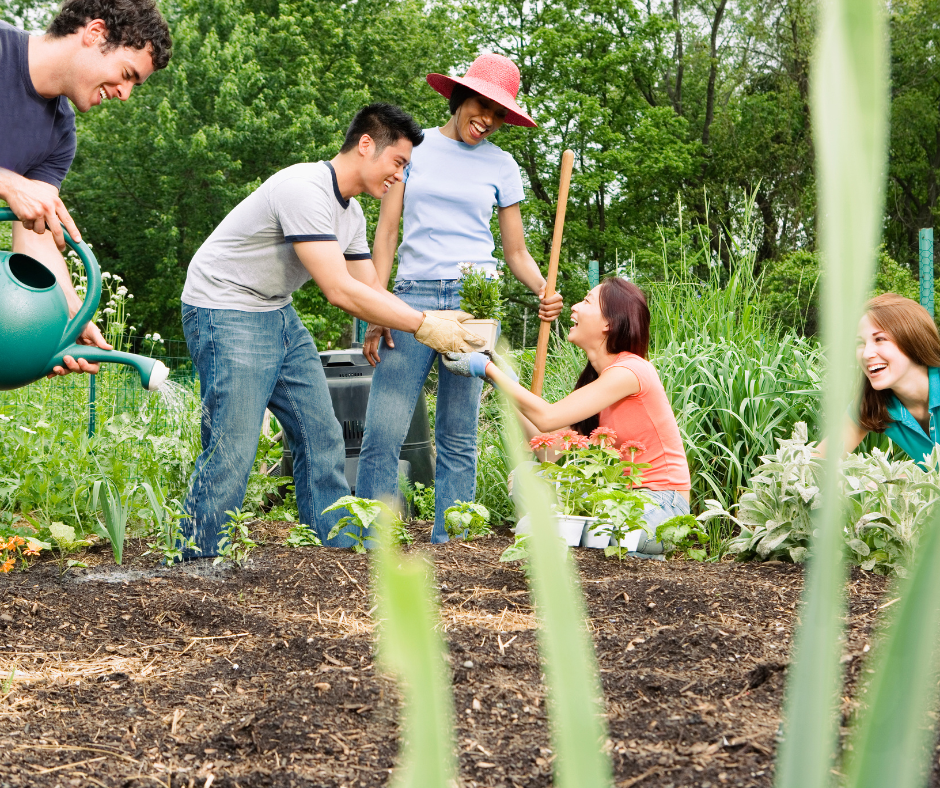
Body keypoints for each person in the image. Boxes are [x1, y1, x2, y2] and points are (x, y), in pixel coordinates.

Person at [179, 103, 486, 558]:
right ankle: (196, 561)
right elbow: (340, 291)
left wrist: (436, 321)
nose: (400, 177)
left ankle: (337, 552)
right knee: (234, 447)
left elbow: (370, 290)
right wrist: (425, 325)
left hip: (276, 312)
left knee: (322, 435)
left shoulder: (353, 217)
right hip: (225, 309)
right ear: (366, 145)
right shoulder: (303, 189)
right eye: (398, 163)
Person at [355, 52, 563, 543]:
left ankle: (453, 544)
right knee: (383, 429)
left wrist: (544, 289)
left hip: (476, 302)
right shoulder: (415, 150)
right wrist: (375, 307)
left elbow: (516, 252)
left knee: (458, 435)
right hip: (412, 299)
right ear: (459, 97)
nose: (486, 121)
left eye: (497, 115)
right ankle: (370, 540)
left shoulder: (503, 166)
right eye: (480, 107)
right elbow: (385, 236)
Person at [444, 278, 692, 556]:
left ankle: (611, 545)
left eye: (586, 301)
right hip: (617, 502)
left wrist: (491, 371)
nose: (573, 307)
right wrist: (507, 385)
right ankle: (603, 546)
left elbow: (548, 417)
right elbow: (548, 448)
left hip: (660, 508)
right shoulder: (598, 382)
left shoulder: (631, 371)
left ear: (608, 323)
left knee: (548, 528)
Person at [0, 0, 172, 375]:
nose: (126, 94)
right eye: (127, 74)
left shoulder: (60, 135)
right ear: (95, 34)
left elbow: (36, 232)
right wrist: (7, 181)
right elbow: (15, 191)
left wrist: (68, 315)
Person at [826, 293, 940, 464]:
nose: (866, 354)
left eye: (880, 339)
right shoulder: (873, 404)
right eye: (860, 343)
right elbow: (818, 460)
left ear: (913, 338)